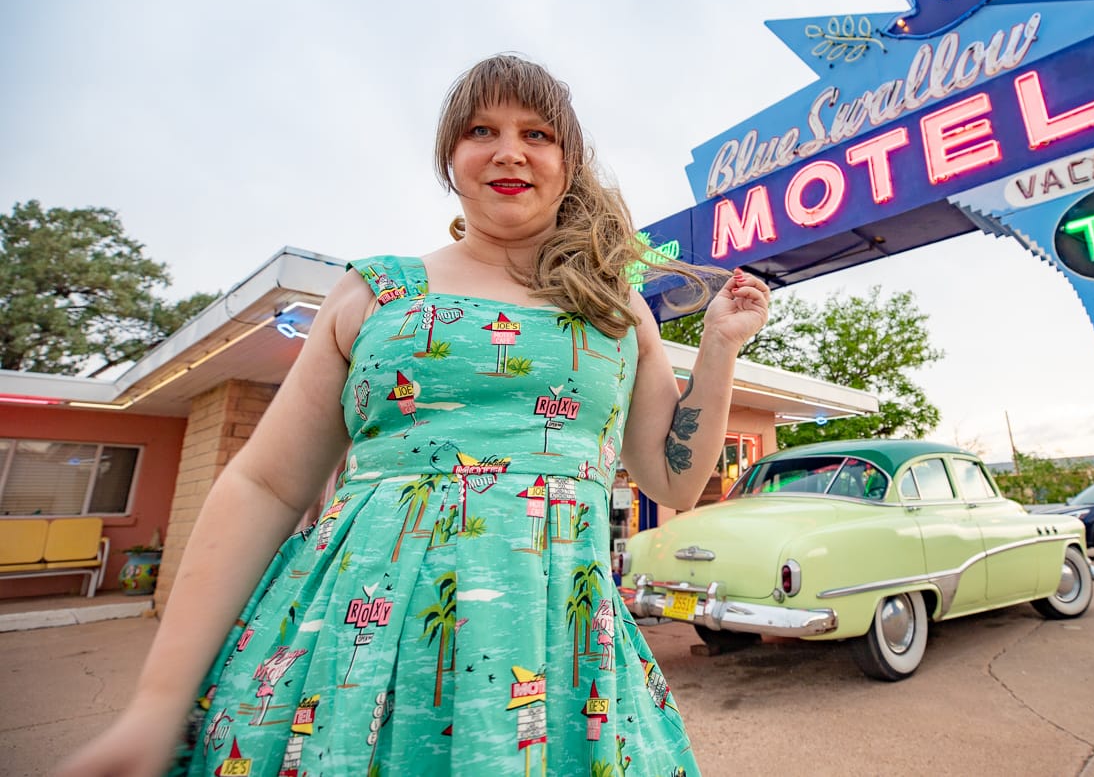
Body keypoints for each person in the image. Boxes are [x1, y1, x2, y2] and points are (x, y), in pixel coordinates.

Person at [57, 54, 770, 777]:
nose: (509, 150)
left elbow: (674, 480)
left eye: (538, 133)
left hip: (562, 665)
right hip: (352, 661)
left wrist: (717, 346)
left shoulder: (615, 313)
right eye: (480, 129)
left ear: (570, 160)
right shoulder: (375, 294)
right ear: (450, 159)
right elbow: (264, 486)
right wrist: (156, 702)